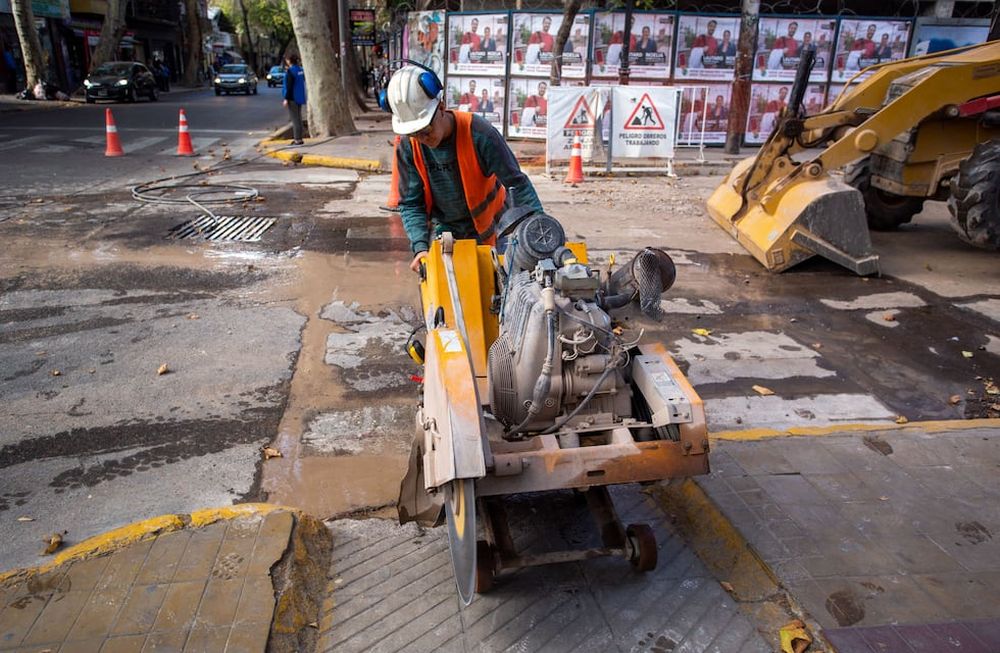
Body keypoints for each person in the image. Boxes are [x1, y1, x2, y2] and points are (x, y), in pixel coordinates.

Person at [385, 65, 543, 273]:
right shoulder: (408, 146)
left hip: (495, 228)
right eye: (415, 134)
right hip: (446, 232)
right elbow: (411, 203)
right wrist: (420, 248)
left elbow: (517, 184)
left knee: (504, 290)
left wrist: (539, 232)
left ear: (441, 107)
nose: (422, 139)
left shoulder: (479, 134)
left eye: (426, 130)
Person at [282, 54, 306, 145]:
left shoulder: (290, 71)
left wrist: (286, 98)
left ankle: (297, 139)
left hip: (292, 98)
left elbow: (289, 87)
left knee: (295, 119)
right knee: (298, 118)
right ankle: (300, 137)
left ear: (289, 60)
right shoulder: (300, 70)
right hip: (300, 97)